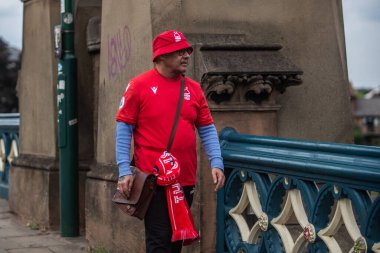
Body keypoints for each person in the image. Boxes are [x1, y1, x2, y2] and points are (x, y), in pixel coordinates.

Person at [115, 30, 225, 253]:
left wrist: (216, 162)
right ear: (161, 56)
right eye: (178, 51)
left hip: (185, 180)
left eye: (186, 51)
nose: (186, 55)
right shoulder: (139, 85)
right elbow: (124, 128)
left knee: (175, 244)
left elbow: (207, 129)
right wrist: (124, 169)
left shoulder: (194, 89)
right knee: (159, 242)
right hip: (153, 181)